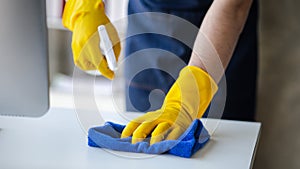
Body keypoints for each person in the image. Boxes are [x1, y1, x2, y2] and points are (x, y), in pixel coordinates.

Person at [62, 0, 257, 144]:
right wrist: (84, 8)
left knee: (221, 148)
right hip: (147, 23)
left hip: (221, 37)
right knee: (141, 142)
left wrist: (192, 93)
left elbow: (233, 5)